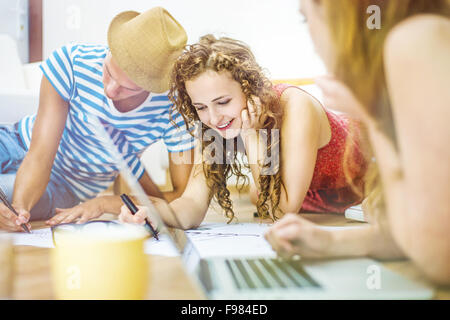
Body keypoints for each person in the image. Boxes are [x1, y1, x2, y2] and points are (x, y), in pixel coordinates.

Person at [264, 0, 450, 285]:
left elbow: (438, 255)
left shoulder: (416, 42)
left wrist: (371, 115)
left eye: (306, 19)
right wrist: (332, 243)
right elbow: (420, 224)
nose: (313, 41)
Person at [118, 34, 368, 229]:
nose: (214, 118)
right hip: (310, 199)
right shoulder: (217, 126)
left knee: (260, 194)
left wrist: (252, 134)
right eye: (201, 107)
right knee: (258, 192)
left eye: (223, 102)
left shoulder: (296, 106)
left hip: (367, 184)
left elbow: (277, 213)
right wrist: (155, 212)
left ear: (250, 90)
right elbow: (192, 204)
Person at [0, 7, 194, 232]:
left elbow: (182, 199)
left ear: (155, 86)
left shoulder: (175, 109)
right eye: (108, 72)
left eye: (128, 88)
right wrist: (20, 207)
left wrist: (109, 204)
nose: (110, 91)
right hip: (15, 141)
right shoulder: (71, 61)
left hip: (65, 185)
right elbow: (41, 154)